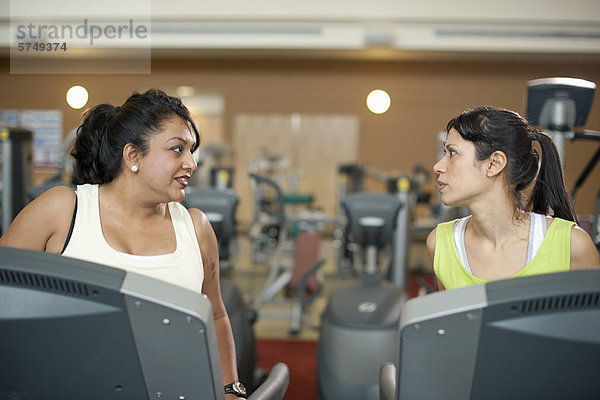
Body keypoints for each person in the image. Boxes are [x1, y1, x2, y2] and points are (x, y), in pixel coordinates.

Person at [0, 89, 247, 399]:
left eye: (191, 150)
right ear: (133, 156)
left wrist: (232, 390)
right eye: (177, 149)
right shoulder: (63, 210)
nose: (191, 163)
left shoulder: (195, 227)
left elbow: (217, 317)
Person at [427, 106, 599, 290]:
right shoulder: (439, 244)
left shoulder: (573, 245)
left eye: (452, 153)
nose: (438, 166)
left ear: (494, 164)